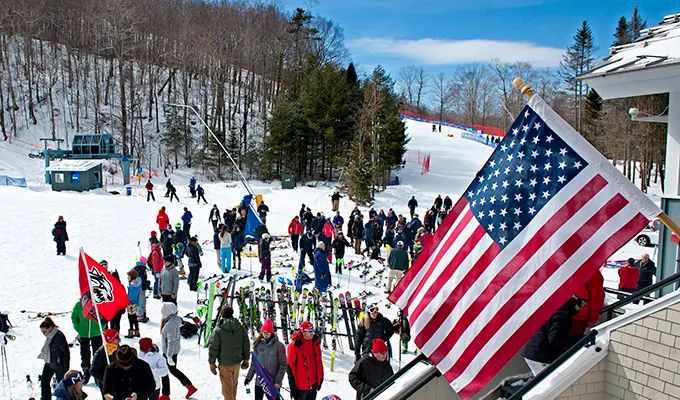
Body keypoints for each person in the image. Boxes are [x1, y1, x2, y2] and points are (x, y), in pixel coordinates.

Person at [522, 296, 585, 375]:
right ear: (574, 305)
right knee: (547, 381)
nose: (580, 309)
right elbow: (554, 339)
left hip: (533, 351)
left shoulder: (555, 311)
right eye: (581, 305)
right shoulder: (563, 316)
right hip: (540, 356)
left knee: (540, 378)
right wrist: (577, 339)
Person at [208, 306, 250, 400]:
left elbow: (213, 347)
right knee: (233, 387)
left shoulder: (218, 330)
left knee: (227, 391)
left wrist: (212, 362)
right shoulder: (240, 327)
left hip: (225, 364)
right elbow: (246, 344)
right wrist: (246, 359)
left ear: (222, 315)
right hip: (237, 363)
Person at [161, 302, 198, 398]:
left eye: (163, 310)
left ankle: (166, 394)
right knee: (169, 371)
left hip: (170, 352)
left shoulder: (170, 324)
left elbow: (171, 341)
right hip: (171, 351)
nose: (161, 312)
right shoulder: (174, 320)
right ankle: (188, 387)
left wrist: (169, 355)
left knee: (166, 371)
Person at [244, 319, 286, 400]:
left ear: (272, 333)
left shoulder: (279, 346)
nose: (266, 335)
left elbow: (282, 365)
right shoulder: (257, 345)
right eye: (264, 332)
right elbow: (254, 364)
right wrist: (249, 377)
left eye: (268, 333)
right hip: (260, 382)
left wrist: (278, 380)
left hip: (272, 382)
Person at [287, 321, 323, 400]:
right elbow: (290, 367)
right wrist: (293, 387)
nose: (311, 333)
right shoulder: (295, 345)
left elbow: (319, 362)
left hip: (313, 385)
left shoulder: (315, 343)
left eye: (312, 331)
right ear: (303, 332)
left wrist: (320, 378)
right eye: (309, 331)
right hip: (301, 387)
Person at [70, 300, 102, 382]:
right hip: (83, 334)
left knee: (98, 354)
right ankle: (86, 372)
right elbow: (74, 317)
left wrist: (102, 327)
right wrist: (79, 329)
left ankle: (97, 373)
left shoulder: (98, 303)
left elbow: (104, 317)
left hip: (97, 333)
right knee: (85, 354)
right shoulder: (79, 305)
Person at [38, 317, 70, 400]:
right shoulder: (50, 336)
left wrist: (66, 368)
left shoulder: (59, 336)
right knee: (44, 382)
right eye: (42, 332)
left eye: (44, 331)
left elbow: (66, 352)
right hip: (49, 363)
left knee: (61, 386)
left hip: (59, 366)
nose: (43, 333)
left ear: (50, 328)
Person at [91, 328, 119, 396]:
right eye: (117, 338)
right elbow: (93, 371)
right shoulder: (101, 353)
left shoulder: (119, 348)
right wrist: (106, 380)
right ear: (111, 340)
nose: (119, 339)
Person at [125, 269, 141, 338]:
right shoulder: (138, 283)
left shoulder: (133, 285)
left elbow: (131, 295)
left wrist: (126, 300)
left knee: (130, 317)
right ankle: (137, 331)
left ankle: (131, 331)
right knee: (134, 317)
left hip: (130, 303)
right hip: (136, 302)